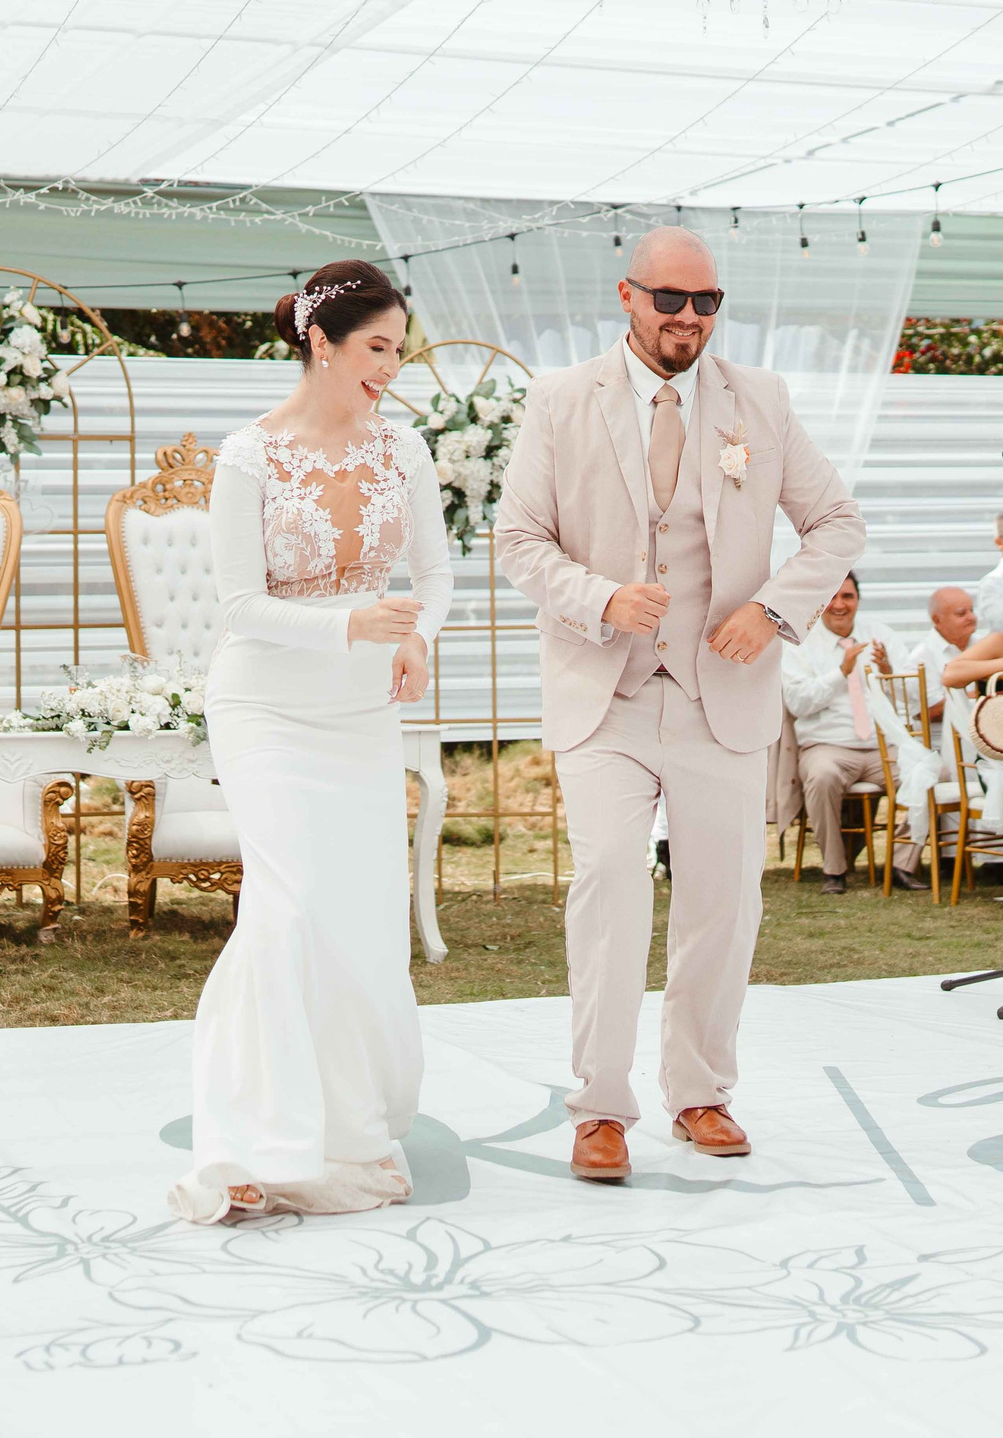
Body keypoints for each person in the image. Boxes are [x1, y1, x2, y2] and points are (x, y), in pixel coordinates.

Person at [498, 224, 864, 1183]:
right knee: (612, 881)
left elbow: (837, 522)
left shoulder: (763, 403)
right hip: (605, 692)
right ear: (628, 297)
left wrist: (774, 609)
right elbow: (518, 541)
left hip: (723, 697)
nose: (690, 319)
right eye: (672, 301)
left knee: (722, 902)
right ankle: (600, 1107)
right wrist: (601, 599)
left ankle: (699, 1091)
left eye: (707, 303)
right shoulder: (559, 399)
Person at [171, 261, 453, 1226]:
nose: (391, 368)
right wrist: (351, 625)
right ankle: (252, 1141)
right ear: (321, 342)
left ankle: (347, 1133)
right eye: (378, 348)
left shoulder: (403, 447)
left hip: (363, 710)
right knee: (285, 911)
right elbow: (240, 607)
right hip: (265, 710)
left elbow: (439, 572)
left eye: (399, 352)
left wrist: (417, 633)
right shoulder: (247, 456)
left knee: (358, 917)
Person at [780, 572, 904, 895]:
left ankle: (902, 864)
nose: (839, 605)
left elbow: (910, 698)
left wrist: (889, 675)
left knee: (928, 771)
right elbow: (797, 703)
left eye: (847, 597)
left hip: (881, 746)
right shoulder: (799, 643)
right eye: (832, 598)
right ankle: (834, 870)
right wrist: (841, 673)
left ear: (857, 600)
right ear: (820, 602)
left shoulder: (881, 635)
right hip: (827, 746)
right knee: (821, 777)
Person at [900, 585, 976, 721]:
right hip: (940, 740)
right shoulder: (920, 658)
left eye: (972, 610)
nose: (971, 617)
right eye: (961, 614)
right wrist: (972, 697)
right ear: (937, 620)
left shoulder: (986, 644)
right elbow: (926, 712)